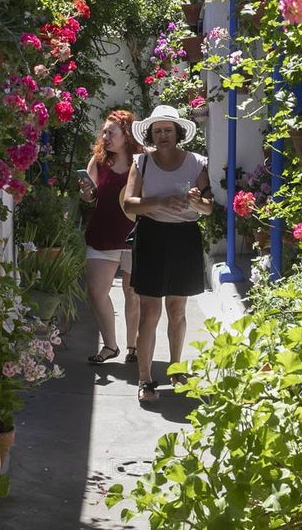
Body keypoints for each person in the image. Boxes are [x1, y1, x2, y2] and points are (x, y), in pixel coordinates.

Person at [121, 105, 213, 404]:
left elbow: (208, 207)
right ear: (150, 134)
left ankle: (176, 370)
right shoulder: (142, 162)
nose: (163, 136)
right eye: (158, 131)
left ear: (178, 133)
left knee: (178, 310)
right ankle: (145, 379)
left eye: (168, 130)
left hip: (185, 237)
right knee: (150, 311)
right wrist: (161, 202)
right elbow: (129, 204)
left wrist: (196, 202)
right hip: (152, 236)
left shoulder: (197, 163)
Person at [79, 110, 142, 365]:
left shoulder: (142, 161)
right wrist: (85, 193)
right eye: (103, 132)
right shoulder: (98, 161)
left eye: (110, 132)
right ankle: (110, 345)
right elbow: (88, 197)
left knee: (133, 293)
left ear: (126, 135)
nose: (105, 136)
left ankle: (133, 346)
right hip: (103, 233)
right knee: (96, 291)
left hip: (135, 236)